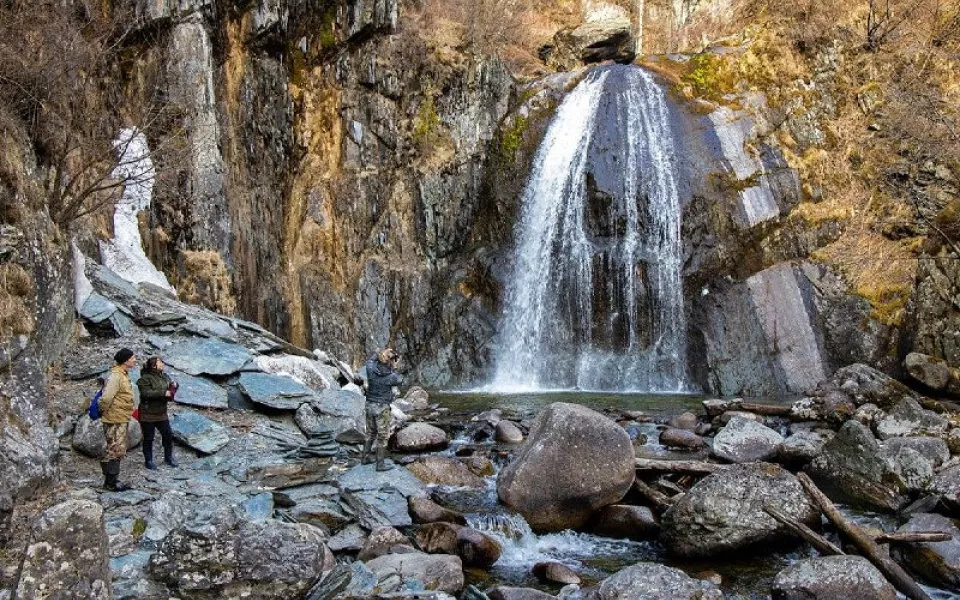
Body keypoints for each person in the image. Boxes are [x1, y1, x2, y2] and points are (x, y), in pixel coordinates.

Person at [99, 348, 137, 491]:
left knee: (117, 448)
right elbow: (107, 397)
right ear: (126, 360)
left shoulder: (123, 375)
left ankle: (112, 480)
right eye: (133, 358)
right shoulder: (116, 376)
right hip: (114, 418)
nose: (135, 360)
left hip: (120, 417)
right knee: (115, 449)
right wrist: (104, 410)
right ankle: (110, 482)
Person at [362, 348, 403, 471]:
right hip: (382, 408)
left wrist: (382, 353)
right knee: (383, 436)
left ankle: (365, 458)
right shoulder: (392, 376)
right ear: (391, 361)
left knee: (370, 433)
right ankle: (380, 465)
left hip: (369, 405)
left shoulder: (370, 368)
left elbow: (370, 360)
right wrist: (395, 367)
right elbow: (400, 380)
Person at [136, 356, 179, 470]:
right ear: (154, 365)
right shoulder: (145, 379)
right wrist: (163, 393)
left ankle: (168, 457)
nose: (162, 363)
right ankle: (148, 460)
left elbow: (170, 388)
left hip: (161, 412)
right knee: (149, 437)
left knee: (168, 434)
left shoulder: (164, 376)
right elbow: (146, 393)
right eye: (159, 362)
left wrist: (174, 386)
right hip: (147, 413)